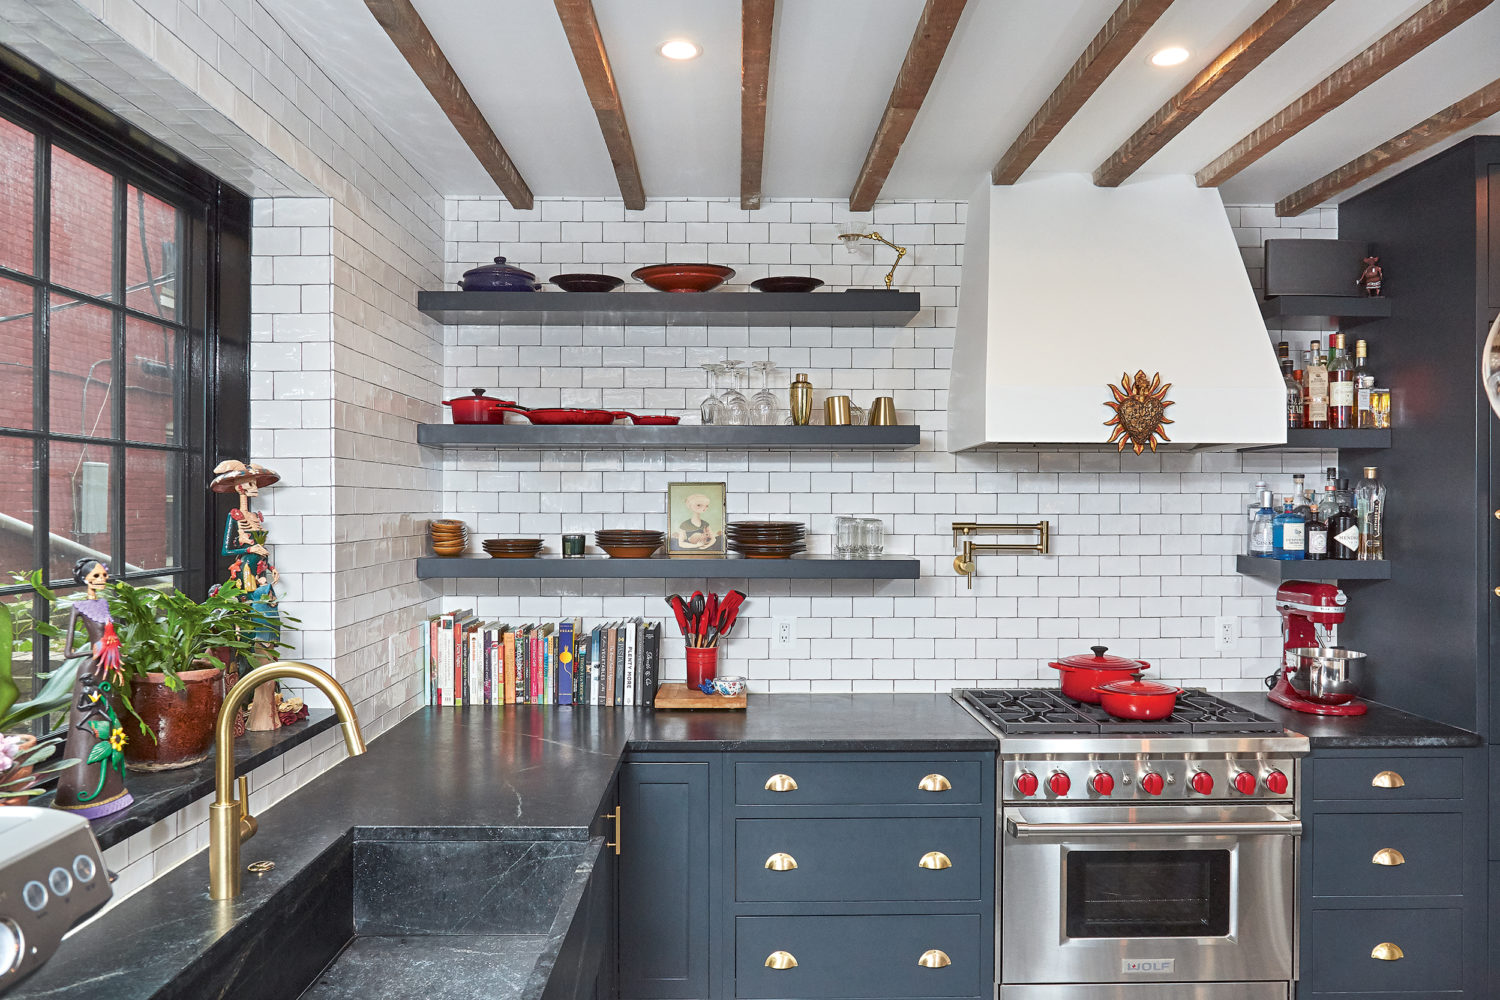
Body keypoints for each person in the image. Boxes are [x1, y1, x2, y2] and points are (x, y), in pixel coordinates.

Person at [53, 557, 133, 818]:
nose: (102, 580)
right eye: (96, 576)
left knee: (107, 721)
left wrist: (110, 653)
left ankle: (108, 787)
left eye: (103, 575)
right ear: (84, 579)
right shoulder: (79, 606)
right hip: (93, 667)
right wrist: (93, 652)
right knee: (88, 721)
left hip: (107, 666)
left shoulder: (103, 603)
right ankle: (84, 787)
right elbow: (68, 652)